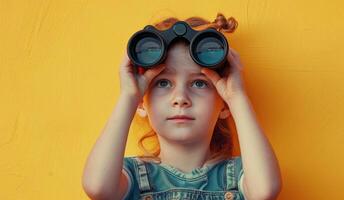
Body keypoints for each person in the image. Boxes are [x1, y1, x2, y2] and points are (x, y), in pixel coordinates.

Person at [82, 13, 282, 200]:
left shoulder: (239, 175)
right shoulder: (132, 174)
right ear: (142, 102)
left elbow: (265, 191)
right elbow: (98, 188)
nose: (180, 98)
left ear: (223, 105)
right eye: (163, 83)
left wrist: (236, 97)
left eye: (199, 83)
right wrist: (129, 95)